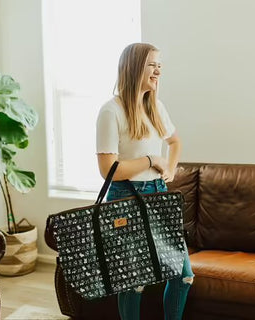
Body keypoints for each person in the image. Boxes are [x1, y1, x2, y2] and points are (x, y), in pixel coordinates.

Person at [96, 42, 194, 320]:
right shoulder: (110, 111)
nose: (158, 71)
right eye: (153, 65)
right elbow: (109, 170)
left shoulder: (155, 107)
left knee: (183, 275)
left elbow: (175, 142)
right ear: (134, 67)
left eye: (160, 65)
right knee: (133, 282)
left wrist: (170, 169)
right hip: (125, 198)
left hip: (157, 193)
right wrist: (152, 160)